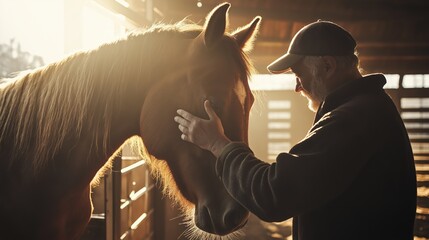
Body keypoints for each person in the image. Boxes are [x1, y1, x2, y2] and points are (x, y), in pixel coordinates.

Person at [174, 20, 417, 240]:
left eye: (298, 75)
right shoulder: (366, 109)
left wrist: (218, 144)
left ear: (327, 67)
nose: (297, 88)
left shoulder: (355, 118)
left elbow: (275, 193)